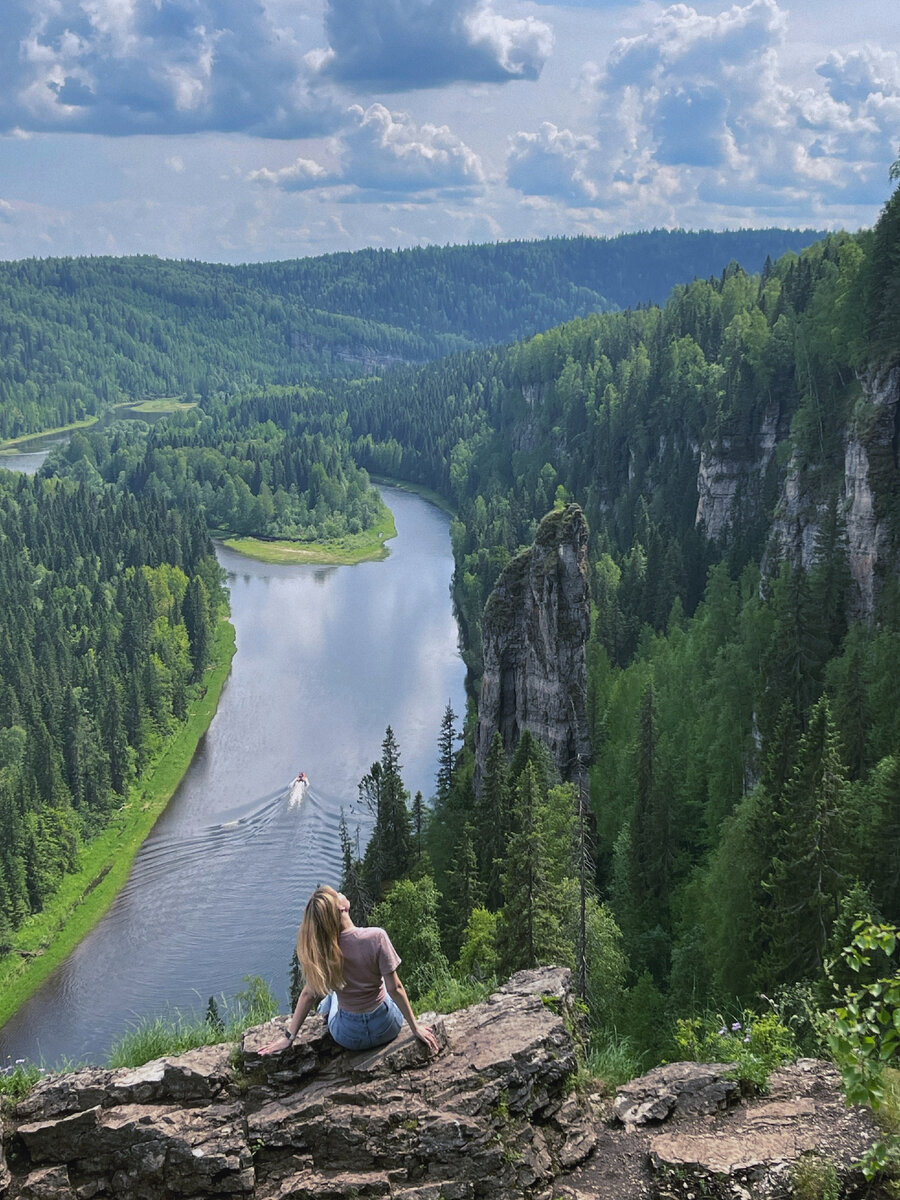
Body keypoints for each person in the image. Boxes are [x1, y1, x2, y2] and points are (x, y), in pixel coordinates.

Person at [258, 884, 439, 1056]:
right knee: (383, 980)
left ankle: (322, 1013)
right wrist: (415, 1028)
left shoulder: (325, 950)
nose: (341, 893)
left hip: (348, 1037)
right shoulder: (376, 937)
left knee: (331, 996)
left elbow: (308, 995)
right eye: (337, 895)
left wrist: (288, 1038)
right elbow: (396, 988)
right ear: (341, 909)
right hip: (386, 1028)